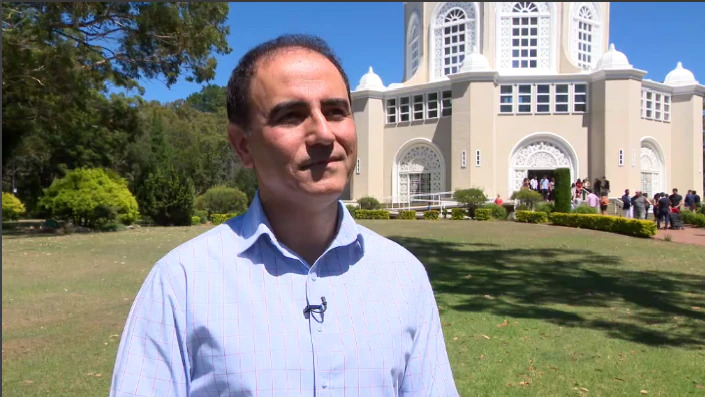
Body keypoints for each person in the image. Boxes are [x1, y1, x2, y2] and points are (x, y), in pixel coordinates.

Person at [110, 35, 458, 396]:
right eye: (291, 116)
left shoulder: (403, 276)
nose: (324, 133)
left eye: (336, 111)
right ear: (243, 146)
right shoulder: (181, 283)